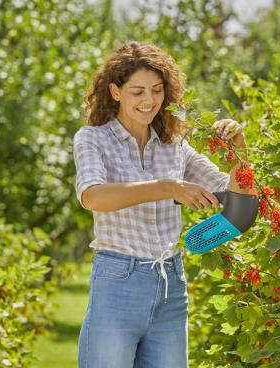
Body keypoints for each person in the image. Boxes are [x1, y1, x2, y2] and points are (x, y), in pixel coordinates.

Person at [73, 41, 249, 368]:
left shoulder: (173, 145)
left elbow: (237, 196)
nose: (149, 101)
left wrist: (238, 148)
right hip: (118, 281)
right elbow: (93, 195)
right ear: (115, 91)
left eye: (156, 90)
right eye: (137, 91)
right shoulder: (92, 138)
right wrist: (167, 188)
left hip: (171, 286)